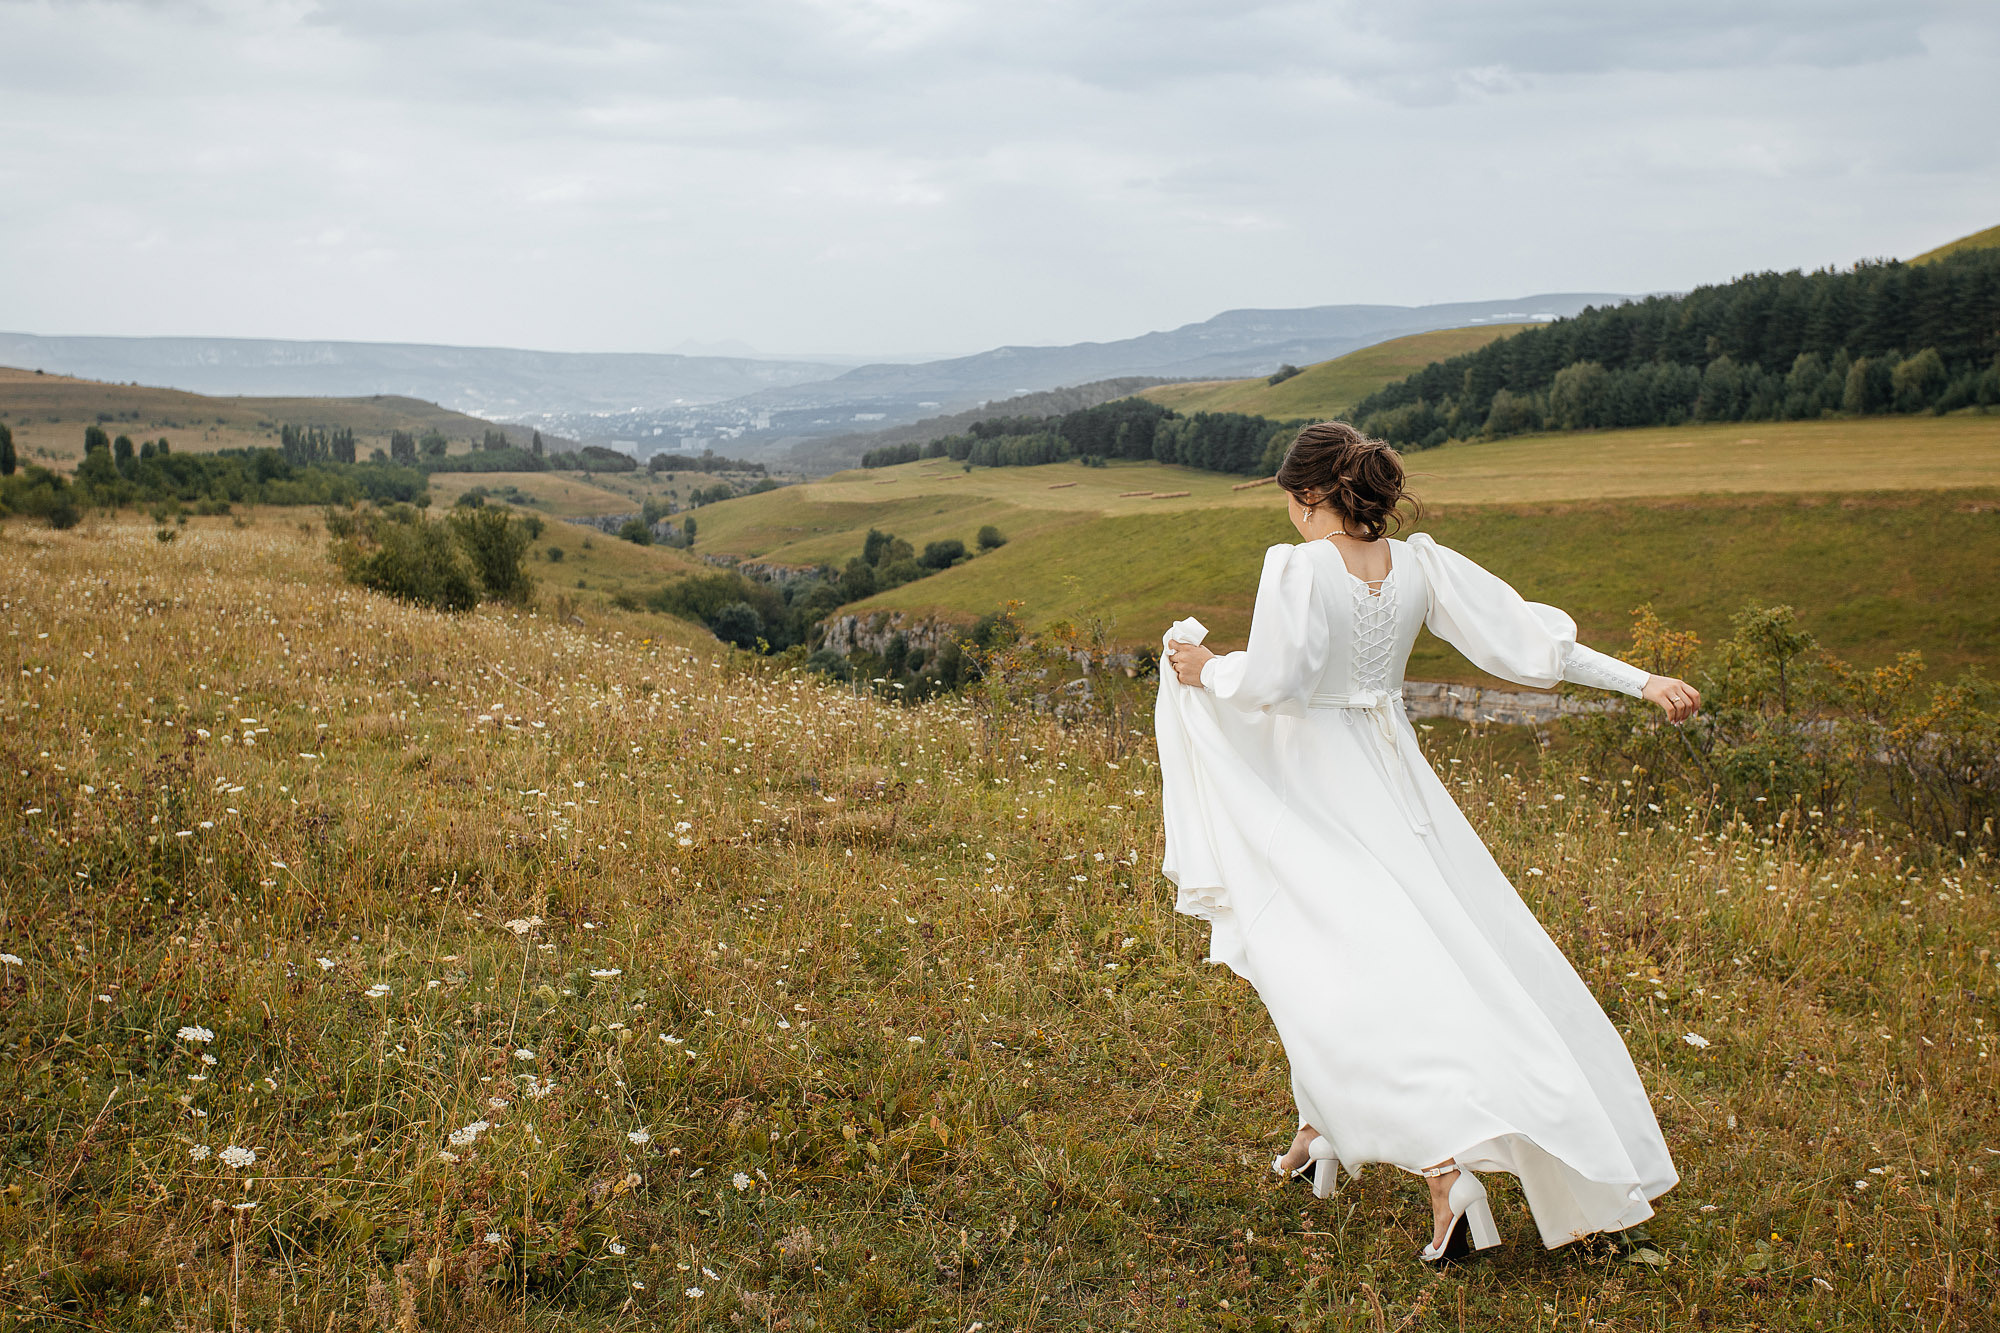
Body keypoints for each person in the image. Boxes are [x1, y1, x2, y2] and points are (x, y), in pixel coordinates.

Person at [1156, 420, 1698, 1264]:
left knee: (1332, 962)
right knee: (1381, 953)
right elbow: (1528, 641)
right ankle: (1320, 1130)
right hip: (1401, 786)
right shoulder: (1417, 567)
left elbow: (1275, 684)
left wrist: (1205, 667)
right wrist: (1641, 679)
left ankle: (1446, 1165)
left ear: (1308, 498)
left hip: (1318, 790)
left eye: (1290, 503)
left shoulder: (1297, 565)